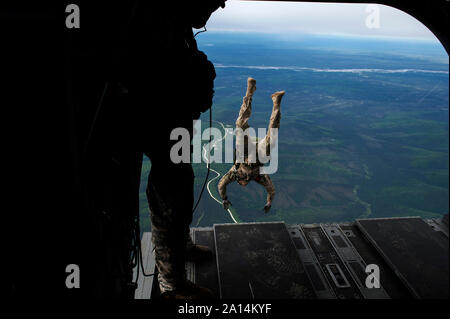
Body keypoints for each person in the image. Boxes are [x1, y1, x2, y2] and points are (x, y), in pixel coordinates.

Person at [123, 1, 226, 299]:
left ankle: (179, 248)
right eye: (212, 2)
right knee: (170, 194)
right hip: (157, 120)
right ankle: (171, 283)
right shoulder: (157, 17)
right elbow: (155, 72)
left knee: (179, 186)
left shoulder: (173, 21)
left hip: (171, 120)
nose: (213, 9)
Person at [218, 77, 284, 214]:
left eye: (241, 184)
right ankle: (276, 103)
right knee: (272, 135)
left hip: (244, 151)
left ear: (238, 182)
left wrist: (224, 198)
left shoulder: (233, 174)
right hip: (258, 156)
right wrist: (269, 202)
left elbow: (221, 185)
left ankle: (249, 92)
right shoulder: (259, 178)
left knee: (240, 125)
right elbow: (271, 189)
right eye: (244, 184)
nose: (244, 185)